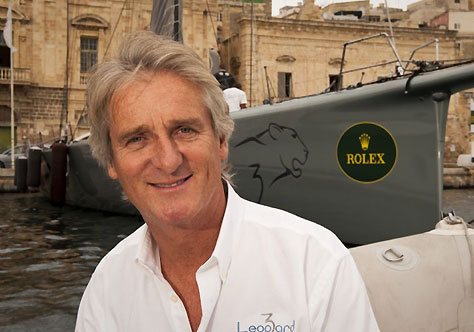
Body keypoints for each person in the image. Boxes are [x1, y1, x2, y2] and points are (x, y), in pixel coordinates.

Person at [75, 31, 379, 332]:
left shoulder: (314, 264)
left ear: (221, 140)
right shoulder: (106, 290)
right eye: (137, 139)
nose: (168, 161)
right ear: (111, 162)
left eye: (184, 130)